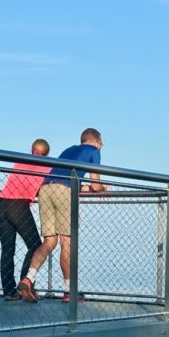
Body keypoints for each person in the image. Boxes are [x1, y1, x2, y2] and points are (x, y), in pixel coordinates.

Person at [17, 128, 106, 303]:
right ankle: (69, 291)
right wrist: (104, 189)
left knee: (49, 242)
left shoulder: (68, 150)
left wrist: (84, 188)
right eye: (102, 144)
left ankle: (28, 279)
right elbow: (95, 185)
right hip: (64, 192)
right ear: (96, 141)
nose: (101, 147)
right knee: (67, 242)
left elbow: (67, 181)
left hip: (46, 189)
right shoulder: (94, 151)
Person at [0, 138, 51, 301]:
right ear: (47, 154)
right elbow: (44, 187)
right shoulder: (48, 166)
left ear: (31, 150)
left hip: (0, 205)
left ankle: (9, 292)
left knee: (7, 249)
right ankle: (26, 284)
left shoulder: (20, 161)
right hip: (18, 207)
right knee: (35, 246)